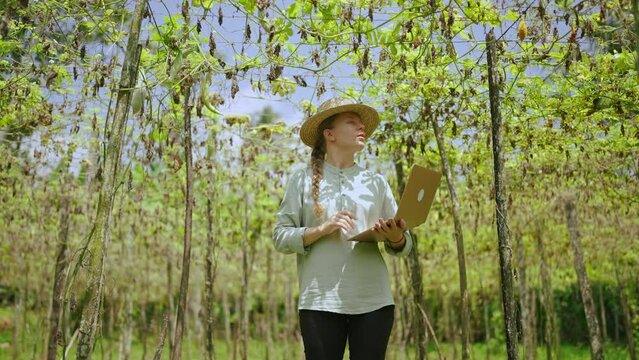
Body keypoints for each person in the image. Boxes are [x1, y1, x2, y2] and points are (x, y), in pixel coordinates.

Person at [272, 97, 413, 360]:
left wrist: (396, 239)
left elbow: (406, 246)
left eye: (362, 124)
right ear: (330, 134)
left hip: (374, 301)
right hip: (319, 302)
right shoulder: (301, 180)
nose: (362, 127)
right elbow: (280, 237)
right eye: (352, 122)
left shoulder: (376, 182)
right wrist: (322, 229)